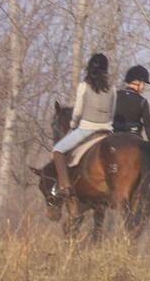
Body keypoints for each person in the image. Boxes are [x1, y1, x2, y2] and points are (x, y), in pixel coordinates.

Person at [52, 53, 116, 198]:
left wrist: (73, 124)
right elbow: (111, 113)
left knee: (57, 151)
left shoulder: (84, 86)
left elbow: (78, 110)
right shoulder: (112, 89)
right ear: (106, 69)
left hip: (86, 129)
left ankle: (64, 186)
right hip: (106, 130)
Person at [113, 65, 150, 143]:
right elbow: (148, 126)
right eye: (144, 84)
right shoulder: (142, 101)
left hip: (113, 134)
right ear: (140, 82)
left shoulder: (115, 95)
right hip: (134, 137)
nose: (144, 87)